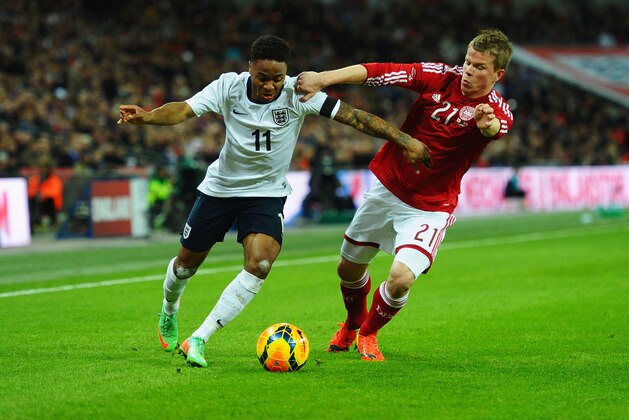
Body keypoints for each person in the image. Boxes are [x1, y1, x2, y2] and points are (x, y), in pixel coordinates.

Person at [117, 34, 432, 368]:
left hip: (266, 194)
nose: (270, 85)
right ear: (250, 67)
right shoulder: (228, 87)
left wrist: (403, 138)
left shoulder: (300, 93)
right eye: (263, 77)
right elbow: (184, 109)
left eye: (277, 78)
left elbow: (354, 116)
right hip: (220, 190)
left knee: (260, 263)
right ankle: (169, 309)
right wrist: (147, 116)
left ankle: (200, 338)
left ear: (287, 73)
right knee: (185, 266)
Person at [296, 28, 514, 361]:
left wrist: (485, 124)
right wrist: (323, 79)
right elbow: (378, 73)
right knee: (347, 269)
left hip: (430, 207)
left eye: (479, 67)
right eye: (468, 62)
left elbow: (494, 129)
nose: (469, 70)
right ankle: (353, 323)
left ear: (498, 73)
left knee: (400, 279)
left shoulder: (498, 109)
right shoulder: (440, 77)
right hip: (388, 188)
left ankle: (368, 333)